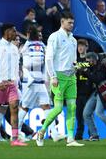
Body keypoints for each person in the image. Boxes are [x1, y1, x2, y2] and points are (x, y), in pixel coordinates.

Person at [36, 11, 84, 147]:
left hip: (71, 77)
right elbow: (49, 58)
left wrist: (78, 66)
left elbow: (74, 60)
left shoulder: (73, 40)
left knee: (72, 107)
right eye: (69, 22)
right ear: (62, 22)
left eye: (73, 22)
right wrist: (53, 76)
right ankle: (41, 132)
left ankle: (70, 138)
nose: (71, 25)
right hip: (59, 76)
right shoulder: (54, 37)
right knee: (57, 109)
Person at [18, 25, 63, 142]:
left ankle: (54, 133)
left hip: (34, 81)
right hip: (36, 81)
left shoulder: (26, 46)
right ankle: (16, 132)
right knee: (29, 107)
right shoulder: (42, 46)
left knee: (41, 106)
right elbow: (49, 58)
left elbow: (24, 60)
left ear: (28, 34)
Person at [74, 39, 92, 140]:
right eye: (79, 46)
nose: (80, 48)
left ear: (86, 47)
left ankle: (92, 134)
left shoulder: (90, 60)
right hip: (78, 92)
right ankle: (79, 134)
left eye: (82, 46)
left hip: (88, 91)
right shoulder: (75, 60)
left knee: (88, 114)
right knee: (79, 115)